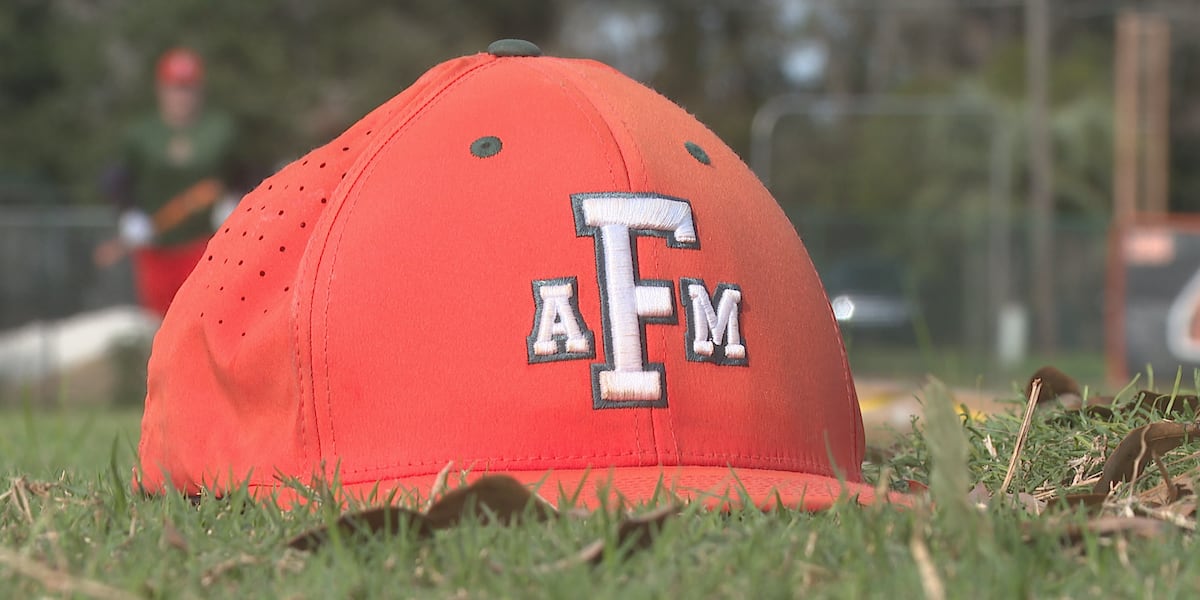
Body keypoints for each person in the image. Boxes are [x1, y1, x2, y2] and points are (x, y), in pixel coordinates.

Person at [94, 47, 239, 317]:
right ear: (161, 89)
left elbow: (241, 174)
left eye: (188, 88)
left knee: (201, 318)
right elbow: (117, 179)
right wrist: (129, 214)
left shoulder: (221, 130)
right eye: (175, 88)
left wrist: (235, 203)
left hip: (204, 246)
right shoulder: (140, 135)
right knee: (158, 322)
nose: (181, 96)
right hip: (156, 247)